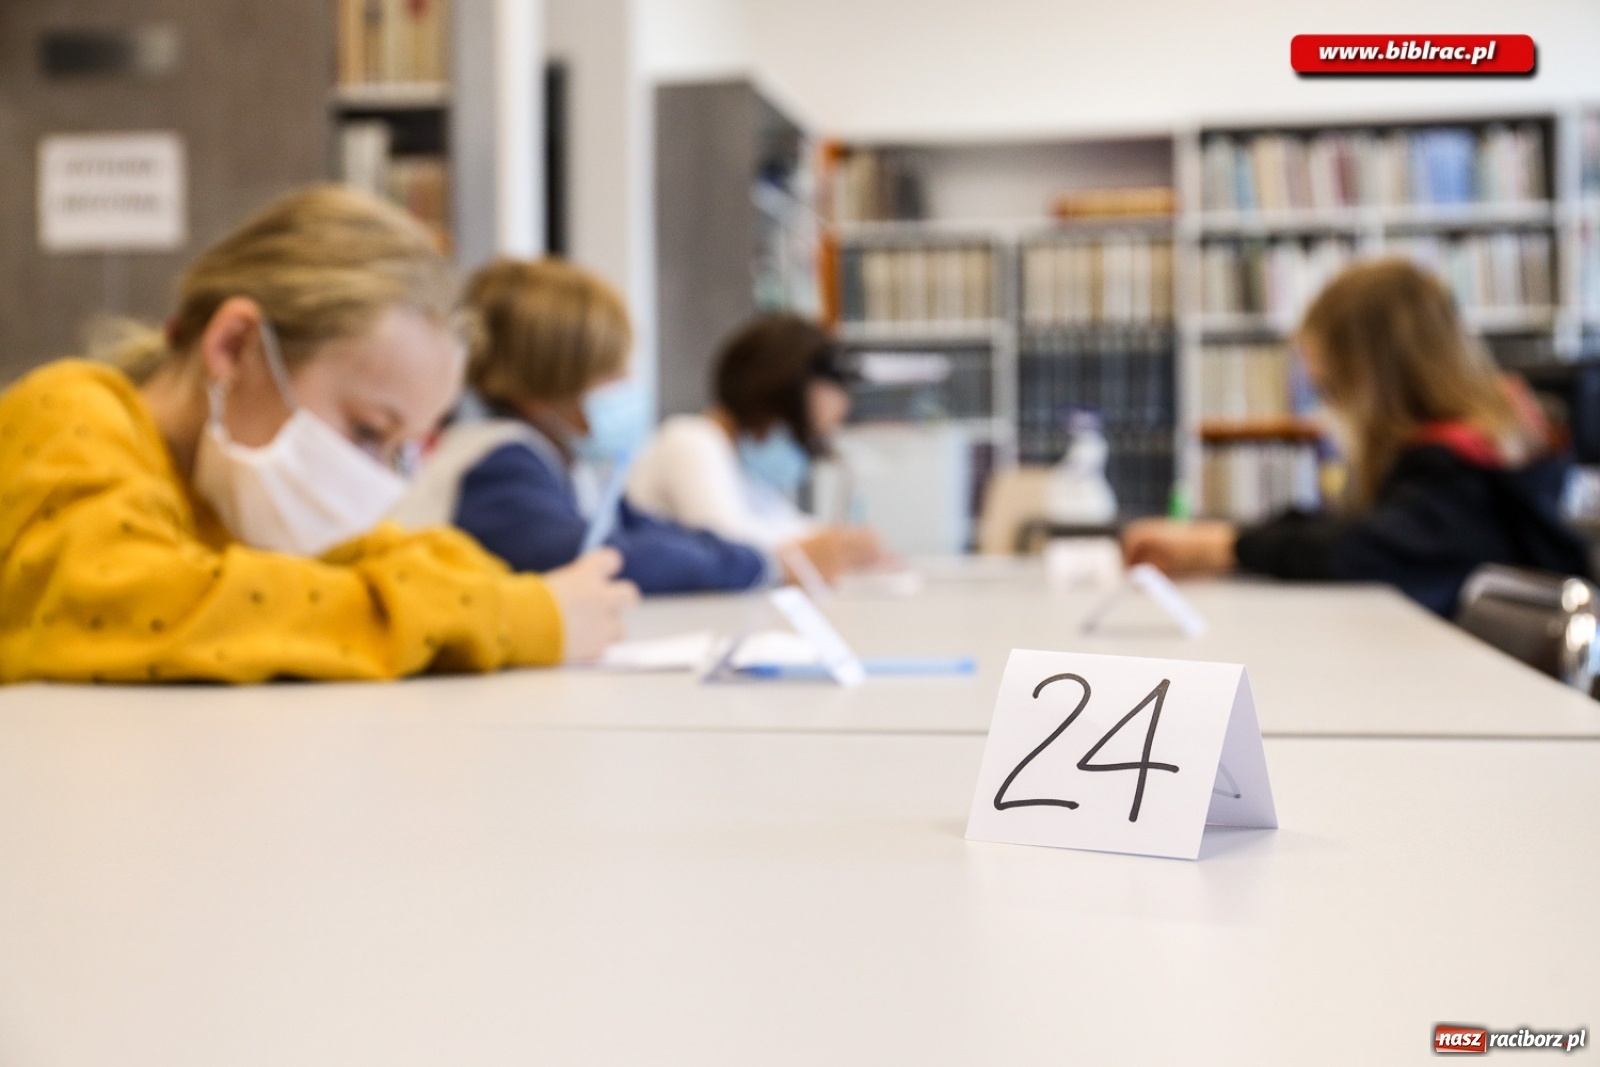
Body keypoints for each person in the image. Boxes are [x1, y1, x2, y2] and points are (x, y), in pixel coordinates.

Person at [0, 186, 636, 685]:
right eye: (366, 430)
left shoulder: (229, 495)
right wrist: (519, 618)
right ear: (234, 345)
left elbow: (411, 560)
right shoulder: (71, 412)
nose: (377, 480)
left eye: (401, 450)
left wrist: (512, 600)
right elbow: (123, 605)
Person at [1123, 258, 1591, 616]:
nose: (1327, 411)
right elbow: (1352, 526)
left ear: (1373, 380)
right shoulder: (1500, 445)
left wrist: (1220, 547)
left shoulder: (1458, 469)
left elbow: (1353, 550)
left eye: (1330, 389)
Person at [393, 257, 778, 594]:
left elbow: (653, 530)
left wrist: (753, 558)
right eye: (609, 372)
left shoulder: (567, 464)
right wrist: (759, 566)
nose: (628, 383)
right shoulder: (498, 464)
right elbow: (604, 558)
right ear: (538, 392)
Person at [626, 314, 882, 577]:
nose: (807, 449)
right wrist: (829, 546)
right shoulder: (690, 441)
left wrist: (841, 543)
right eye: (805, 433)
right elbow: (729, 544)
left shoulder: (744, 469)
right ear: (768, 405)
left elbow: (784, 525)